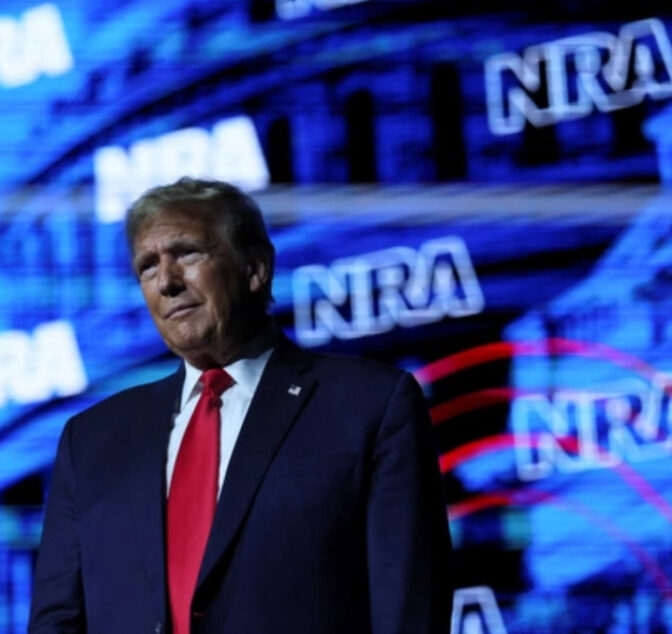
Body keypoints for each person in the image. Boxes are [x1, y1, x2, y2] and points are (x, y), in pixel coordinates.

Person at [29, 177, 452, 634]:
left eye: (187, 253)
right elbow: (57, 622)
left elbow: (409, 609)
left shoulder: (369, 406)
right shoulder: (91, 442)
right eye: (147, 267)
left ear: (255, 269)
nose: (167, 282)